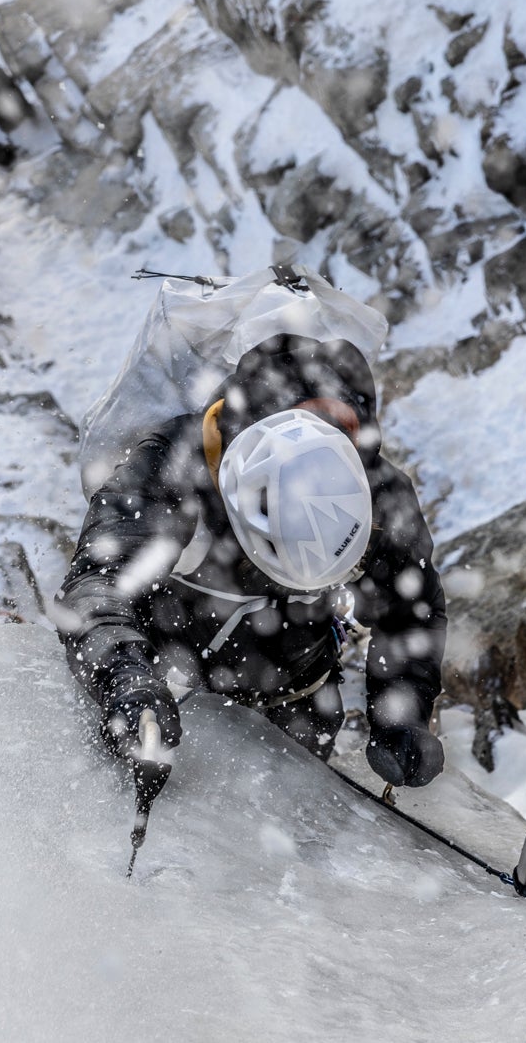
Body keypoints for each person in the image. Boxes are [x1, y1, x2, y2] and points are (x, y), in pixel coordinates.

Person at [55, 332, 446, 788]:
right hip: (162, 684)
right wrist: (126, 676)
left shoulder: (376, 495)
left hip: (297, 703)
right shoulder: (174, 464)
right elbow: (97, 584)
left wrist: (403, 717)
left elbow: (413, 611)